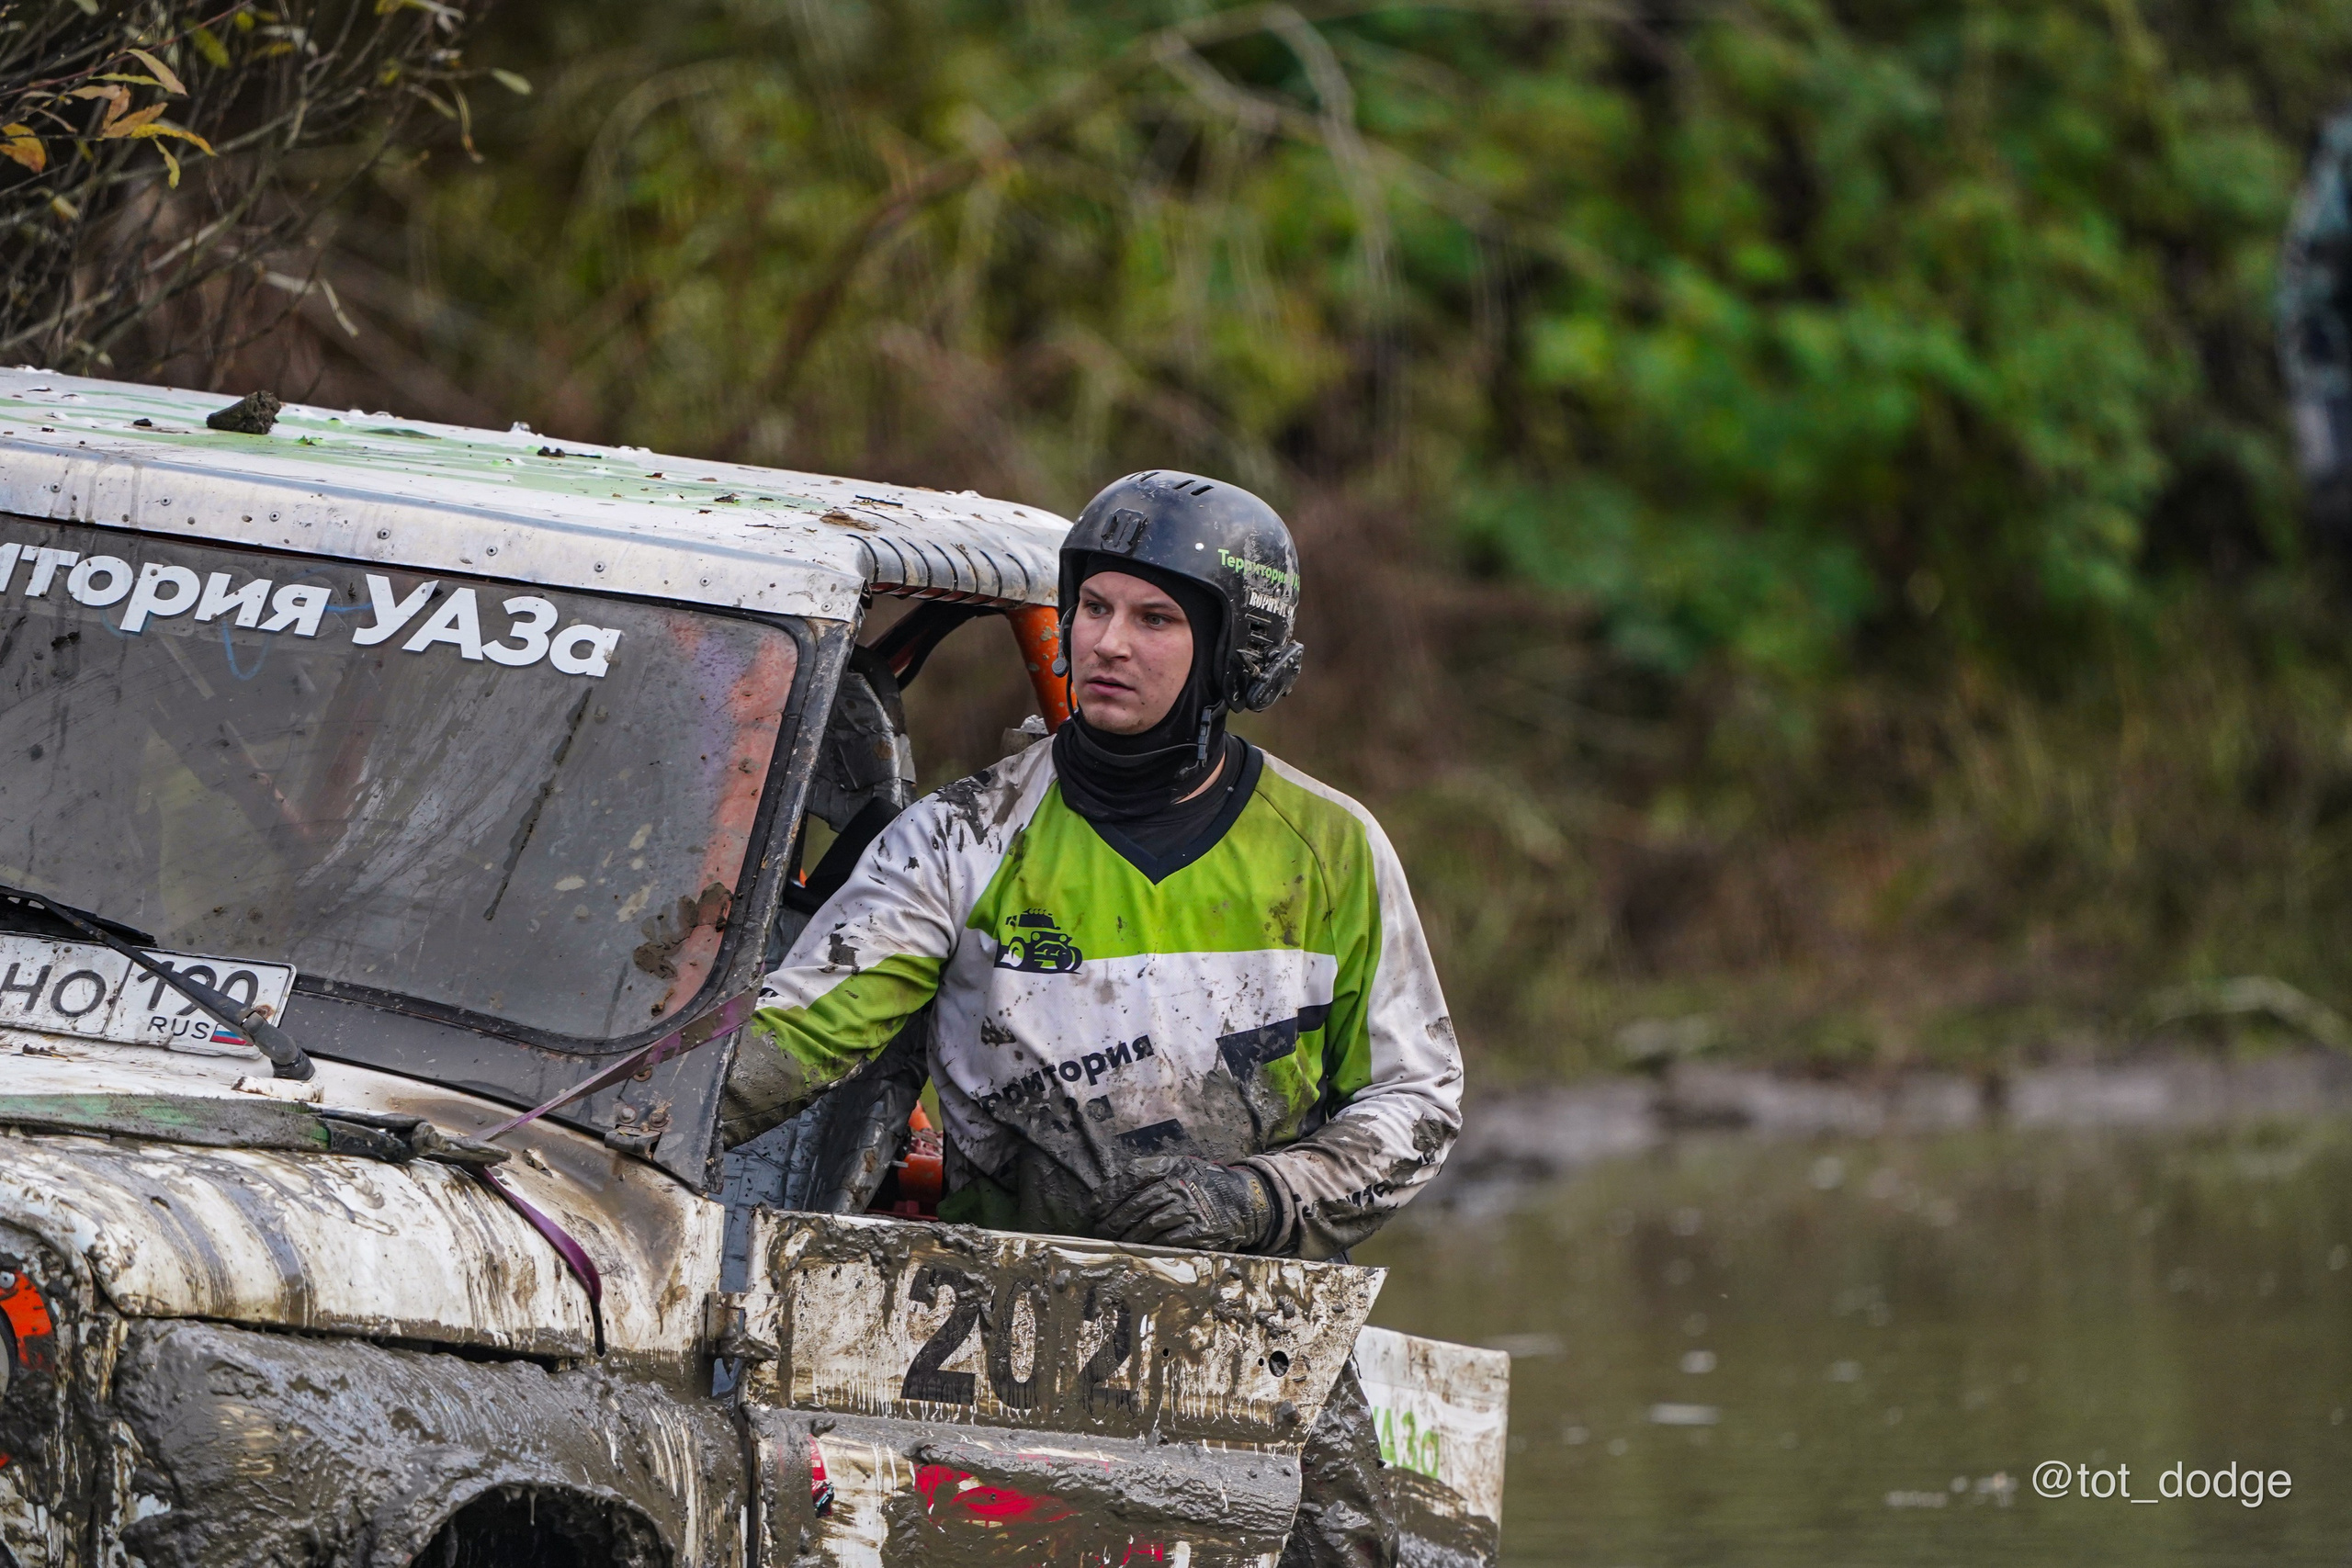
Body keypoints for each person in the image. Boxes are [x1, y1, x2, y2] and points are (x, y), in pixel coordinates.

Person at [720, 469, 1464, 1567]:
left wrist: (1253, 1198)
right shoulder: (958, 837)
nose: (1110, 643)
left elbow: (1417, 1100)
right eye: (1095, 608)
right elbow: (796, 1038)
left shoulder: (1333, 849)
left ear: (1232, 652)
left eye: (1156, 619)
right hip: (995, 1324)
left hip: (1261, 1320)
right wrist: (623, 1130)